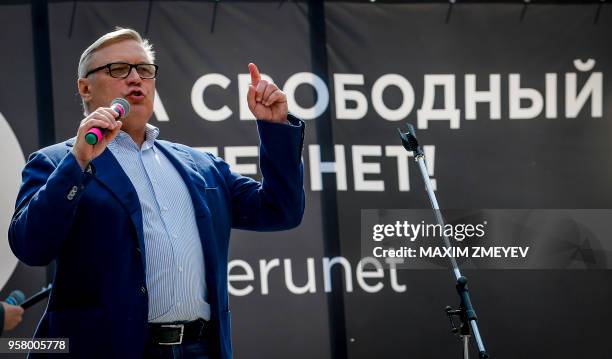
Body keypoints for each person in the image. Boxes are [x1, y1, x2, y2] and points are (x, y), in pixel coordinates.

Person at [8, 28, 304, 358]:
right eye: (119, 69)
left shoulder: (200, 164)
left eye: (145, 70)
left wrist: (275, 128)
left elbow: (281, 210)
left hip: (201, 349)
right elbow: (31, 246)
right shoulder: (57, 162)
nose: (136, 79)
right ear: (85, 87)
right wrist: (77, 161)